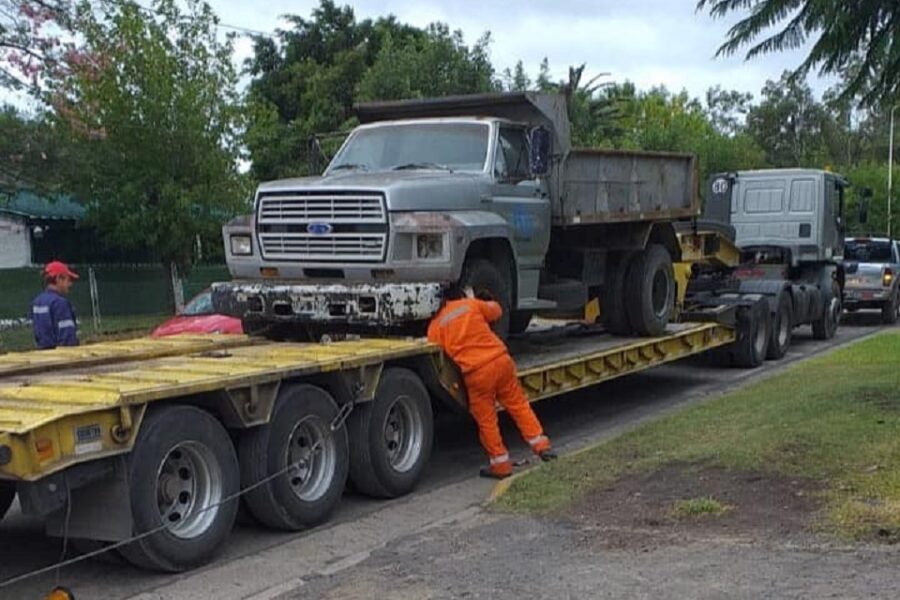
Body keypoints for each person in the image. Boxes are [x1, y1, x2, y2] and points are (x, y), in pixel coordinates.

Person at [427, 286, 556, 479]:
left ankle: (500, 465)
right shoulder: (471, 305)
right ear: (461, 294)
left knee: (487, 421)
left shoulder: (436, 326)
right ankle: (542, 446)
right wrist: (481, 299)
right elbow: (497, 311)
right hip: (501, 362)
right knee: (519, 406)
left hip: (476, 374)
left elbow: (437, 354)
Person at [31, 261, 80, 350]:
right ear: (58, 279)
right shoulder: (60, 303)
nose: (70, 284)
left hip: (43, 354)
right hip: (61, 357)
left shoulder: (37, 302)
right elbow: (67, 337)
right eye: (68, 280)